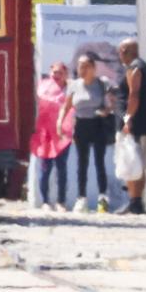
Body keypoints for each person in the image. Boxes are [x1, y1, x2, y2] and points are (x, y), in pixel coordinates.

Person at [58, 55, 113, 213]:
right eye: (79, 66)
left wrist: (105, 111)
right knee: (82, 164)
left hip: (98, 124)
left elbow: (110, 105)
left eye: (85, 66)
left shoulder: (101, 84)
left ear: (93, 68)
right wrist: (60, 122)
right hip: (81, 125)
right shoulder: (74, 85)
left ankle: (103, 200)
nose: (81, 70)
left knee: (99, 162)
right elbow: (66, 106)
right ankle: (81, 199)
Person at [116, 38, 146, 215]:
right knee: (139, 163)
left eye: (120, 51)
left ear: (125, 50)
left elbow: (134, 95)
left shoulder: (134, 68)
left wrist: (127, 118)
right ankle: (135, 201)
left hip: (136, 124)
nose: (119, 55)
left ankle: (135, 202)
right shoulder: (145, 67)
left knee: (133, 161)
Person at [33, 62, 71, 211]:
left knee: (61, 168)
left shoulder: (70, 89)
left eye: (60, 73)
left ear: (65, 74)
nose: (56, 76)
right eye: (54, 72)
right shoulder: (42, 87)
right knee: (45, 168)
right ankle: (45, 202)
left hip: (63, 134)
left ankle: (61, 201)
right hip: (46, 134)